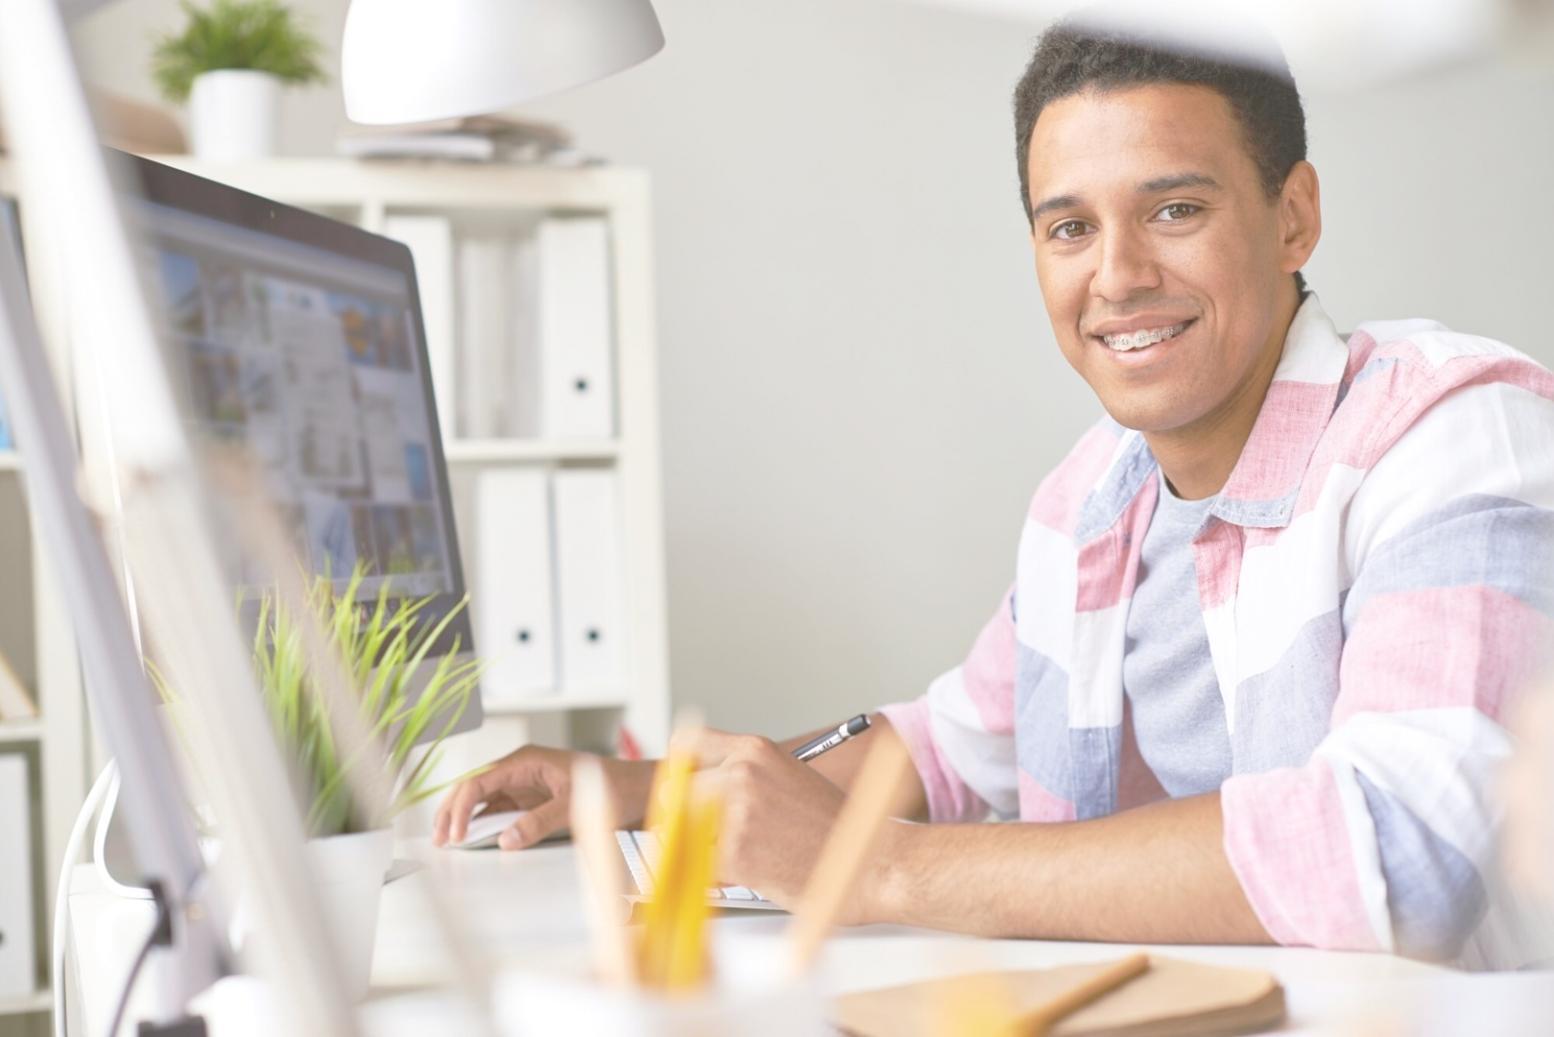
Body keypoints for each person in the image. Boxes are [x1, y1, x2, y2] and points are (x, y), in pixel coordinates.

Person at [434, 14, 1554, 969]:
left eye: (1174, 209)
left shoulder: (1452, 435)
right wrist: (646, 792)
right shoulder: (1092, 503)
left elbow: (1407, 849)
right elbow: (947, 748)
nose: (1115, 274)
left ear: (1293, 215)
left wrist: (880, 868)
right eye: (1070, 225)